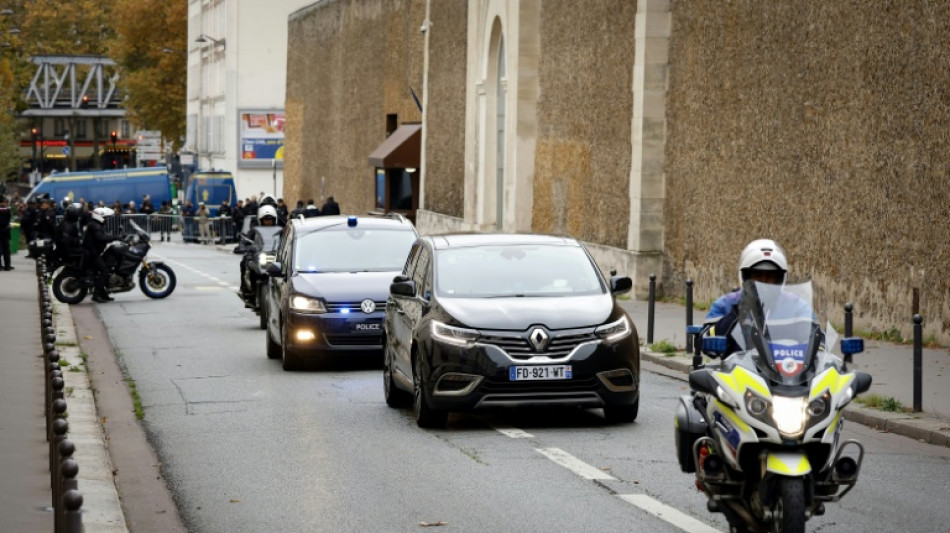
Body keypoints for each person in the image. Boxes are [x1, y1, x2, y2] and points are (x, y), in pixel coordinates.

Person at [702, 239, 797, 358]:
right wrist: (737, 312)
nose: (764, 280)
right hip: (736, 371)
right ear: (746, 276)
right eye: (758, 275)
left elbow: (817, 338)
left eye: (770, 275)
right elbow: (706, 338)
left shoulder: (795, 305)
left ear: (779, 278)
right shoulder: (725, 304)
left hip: (784, 370)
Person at [239, 205, 278, 301]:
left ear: (274, 219)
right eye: (266, 219)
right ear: (261, 220)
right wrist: (243, 246)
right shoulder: (254, 230)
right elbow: (245, 239)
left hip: (275, 255)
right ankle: (245, 289)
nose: (268, 221)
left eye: (270, 219)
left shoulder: (279, 231)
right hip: (259, 255)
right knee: (245, 263)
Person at [83, 207, 120, 303]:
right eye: (106, 217)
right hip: (92, 254)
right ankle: (96, 295)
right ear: (100, 216)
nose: (107, 220)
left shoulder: (96, 224)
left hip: (93, 252)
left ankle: (103, 294)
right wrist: (116, 237)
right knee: (104, 271)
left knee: (105, 268)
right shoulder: (95, 226)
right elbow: (101, 238)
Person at [54, 203, 84, 268]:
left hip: (68, 249)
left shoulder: (68, 223)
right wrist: (78, 241)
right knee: (87, 253)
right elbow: (65, 241)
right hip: (68, 252)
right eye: (78, 214)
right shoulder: (66, 225)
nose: (78, 216)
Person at [0, 195, 12, 271]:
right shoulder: (7, 210)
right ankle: (7, 266)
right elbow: (8, 221)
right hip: (5, 232)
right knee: (6, 250)